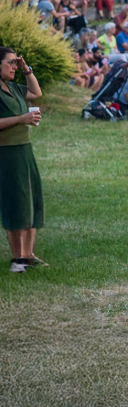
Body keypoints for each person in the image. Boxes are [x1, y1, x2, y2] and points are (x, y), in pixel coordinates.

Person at [0, 48, 45, 273]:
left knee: (31, 201)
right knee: (15, 203)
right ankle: (17, 259)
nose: (14, 67)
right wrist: (21, 118)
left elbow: (36, 93)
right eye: (10, 62)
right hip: (6, 153)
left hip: (24, 150)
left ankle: (28, 254)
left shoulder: (15, 88)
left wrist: (27, 69)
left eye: (16, 63)